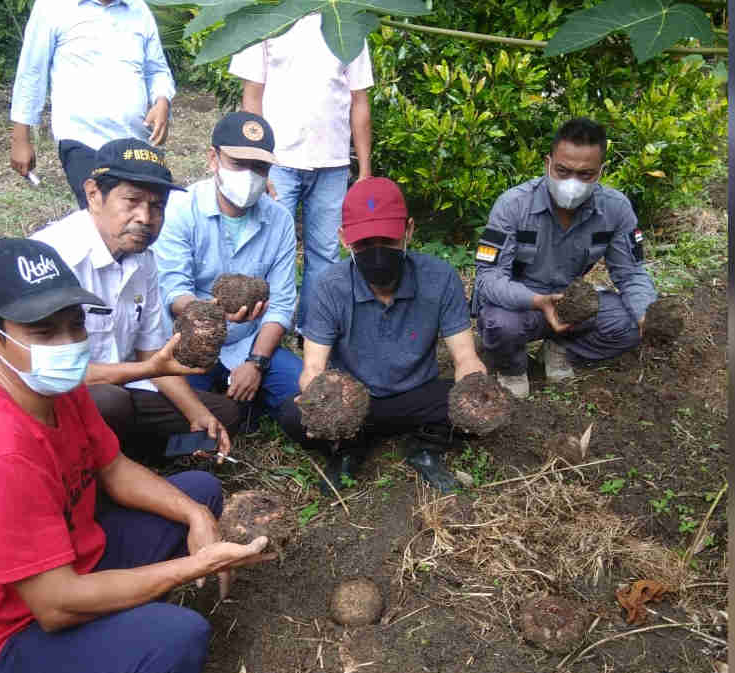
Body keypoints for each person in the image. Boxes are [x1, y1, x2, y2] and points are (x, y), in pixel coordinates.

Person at [0, 237, 274, 673]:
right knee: (180, 642)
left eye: (75, 324)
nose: (69, 342)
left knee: (197, 490)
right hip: (7, 634)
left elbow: (115, 469)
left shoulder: (56, 390)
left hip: (67, 563)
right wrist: (193, 567)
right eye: (44, 331)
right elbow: (54, 606)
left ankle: (116, 620)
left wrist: (197, 518)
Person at [31, 138, 242, 458]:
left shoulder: (143, 259)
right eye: (132, 200)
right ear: (93, 194)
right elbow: (51, 373)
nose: (145, 217)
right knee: (110, 403)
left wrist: (196, 414)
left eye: (157, 206)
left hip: (127, 389)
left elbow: (150, 352)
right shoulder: (54, 259)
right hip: (59, 399)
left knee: (222, 416)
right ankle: (104, 463)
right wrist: (146, 371)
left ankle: (127, 452)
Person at [278, 178, 489, 494]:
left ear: (409, 231)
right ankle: (348, 448)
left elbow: (465, 356)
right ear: (344, 239)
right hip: (354, 401)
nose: (377, 254)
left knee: (478, 408)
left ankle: (425, 446)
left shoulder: (439, 277)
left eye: (388, 240)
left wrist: (475, 387)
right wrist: (319, 406)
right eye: (364, 244)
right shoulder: (329, 286)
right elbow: (313, 368)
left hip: (418, 394)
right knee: (293, 416)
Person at [473, 117, 661, 399]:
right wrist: (537, 301)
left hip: (571, 305)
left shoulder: (616, 209)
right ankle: (512, 367)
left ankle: (562, 348)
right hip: (519, 305)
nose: (572, 183)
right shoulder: (513, 205)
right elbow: (488, 279)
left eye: (585, 175)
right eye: (562, 171)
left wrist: (647, 313)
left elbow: (631, 273)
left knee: (630, 323)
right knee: (499, 323)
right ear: (548, 163)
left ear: (600, 171)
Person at [230, 11, 373, 338]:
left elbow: (359, 100)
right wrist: (258, 162)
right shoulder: (267, 16)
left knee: (324, 253)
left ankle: (313, 333)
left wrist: (364, 170)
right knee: (266, 249)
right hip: (278, 161)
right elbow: (252, 97)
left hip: (332, 162)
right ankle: (261, 334)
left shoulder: (347, 22)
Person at [154, 111, 304, 424]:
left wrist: (257, 363)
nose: (249, 175)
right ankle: (235, 402)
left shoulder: (279, 221)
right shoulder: (182, 209)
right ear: (213, 159)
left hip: (250, 340)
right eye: (238, 163)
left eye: (259, 167)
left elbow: (281, 304)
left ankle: (243, 391)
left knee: (303, 397)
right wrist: (209, 314)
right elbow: (173, 291)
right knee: (179, 409)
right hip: (191, 339)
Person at [8, 0, 175, 206]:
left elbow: (157, 69)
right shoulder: (52, 7)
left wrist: (162, 100)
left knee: (142, 211)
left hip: (135, 138)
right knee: (103, 212)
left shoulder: (138, 8)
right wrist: (20, 139)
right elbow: (32, 73)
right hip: (82, 138)